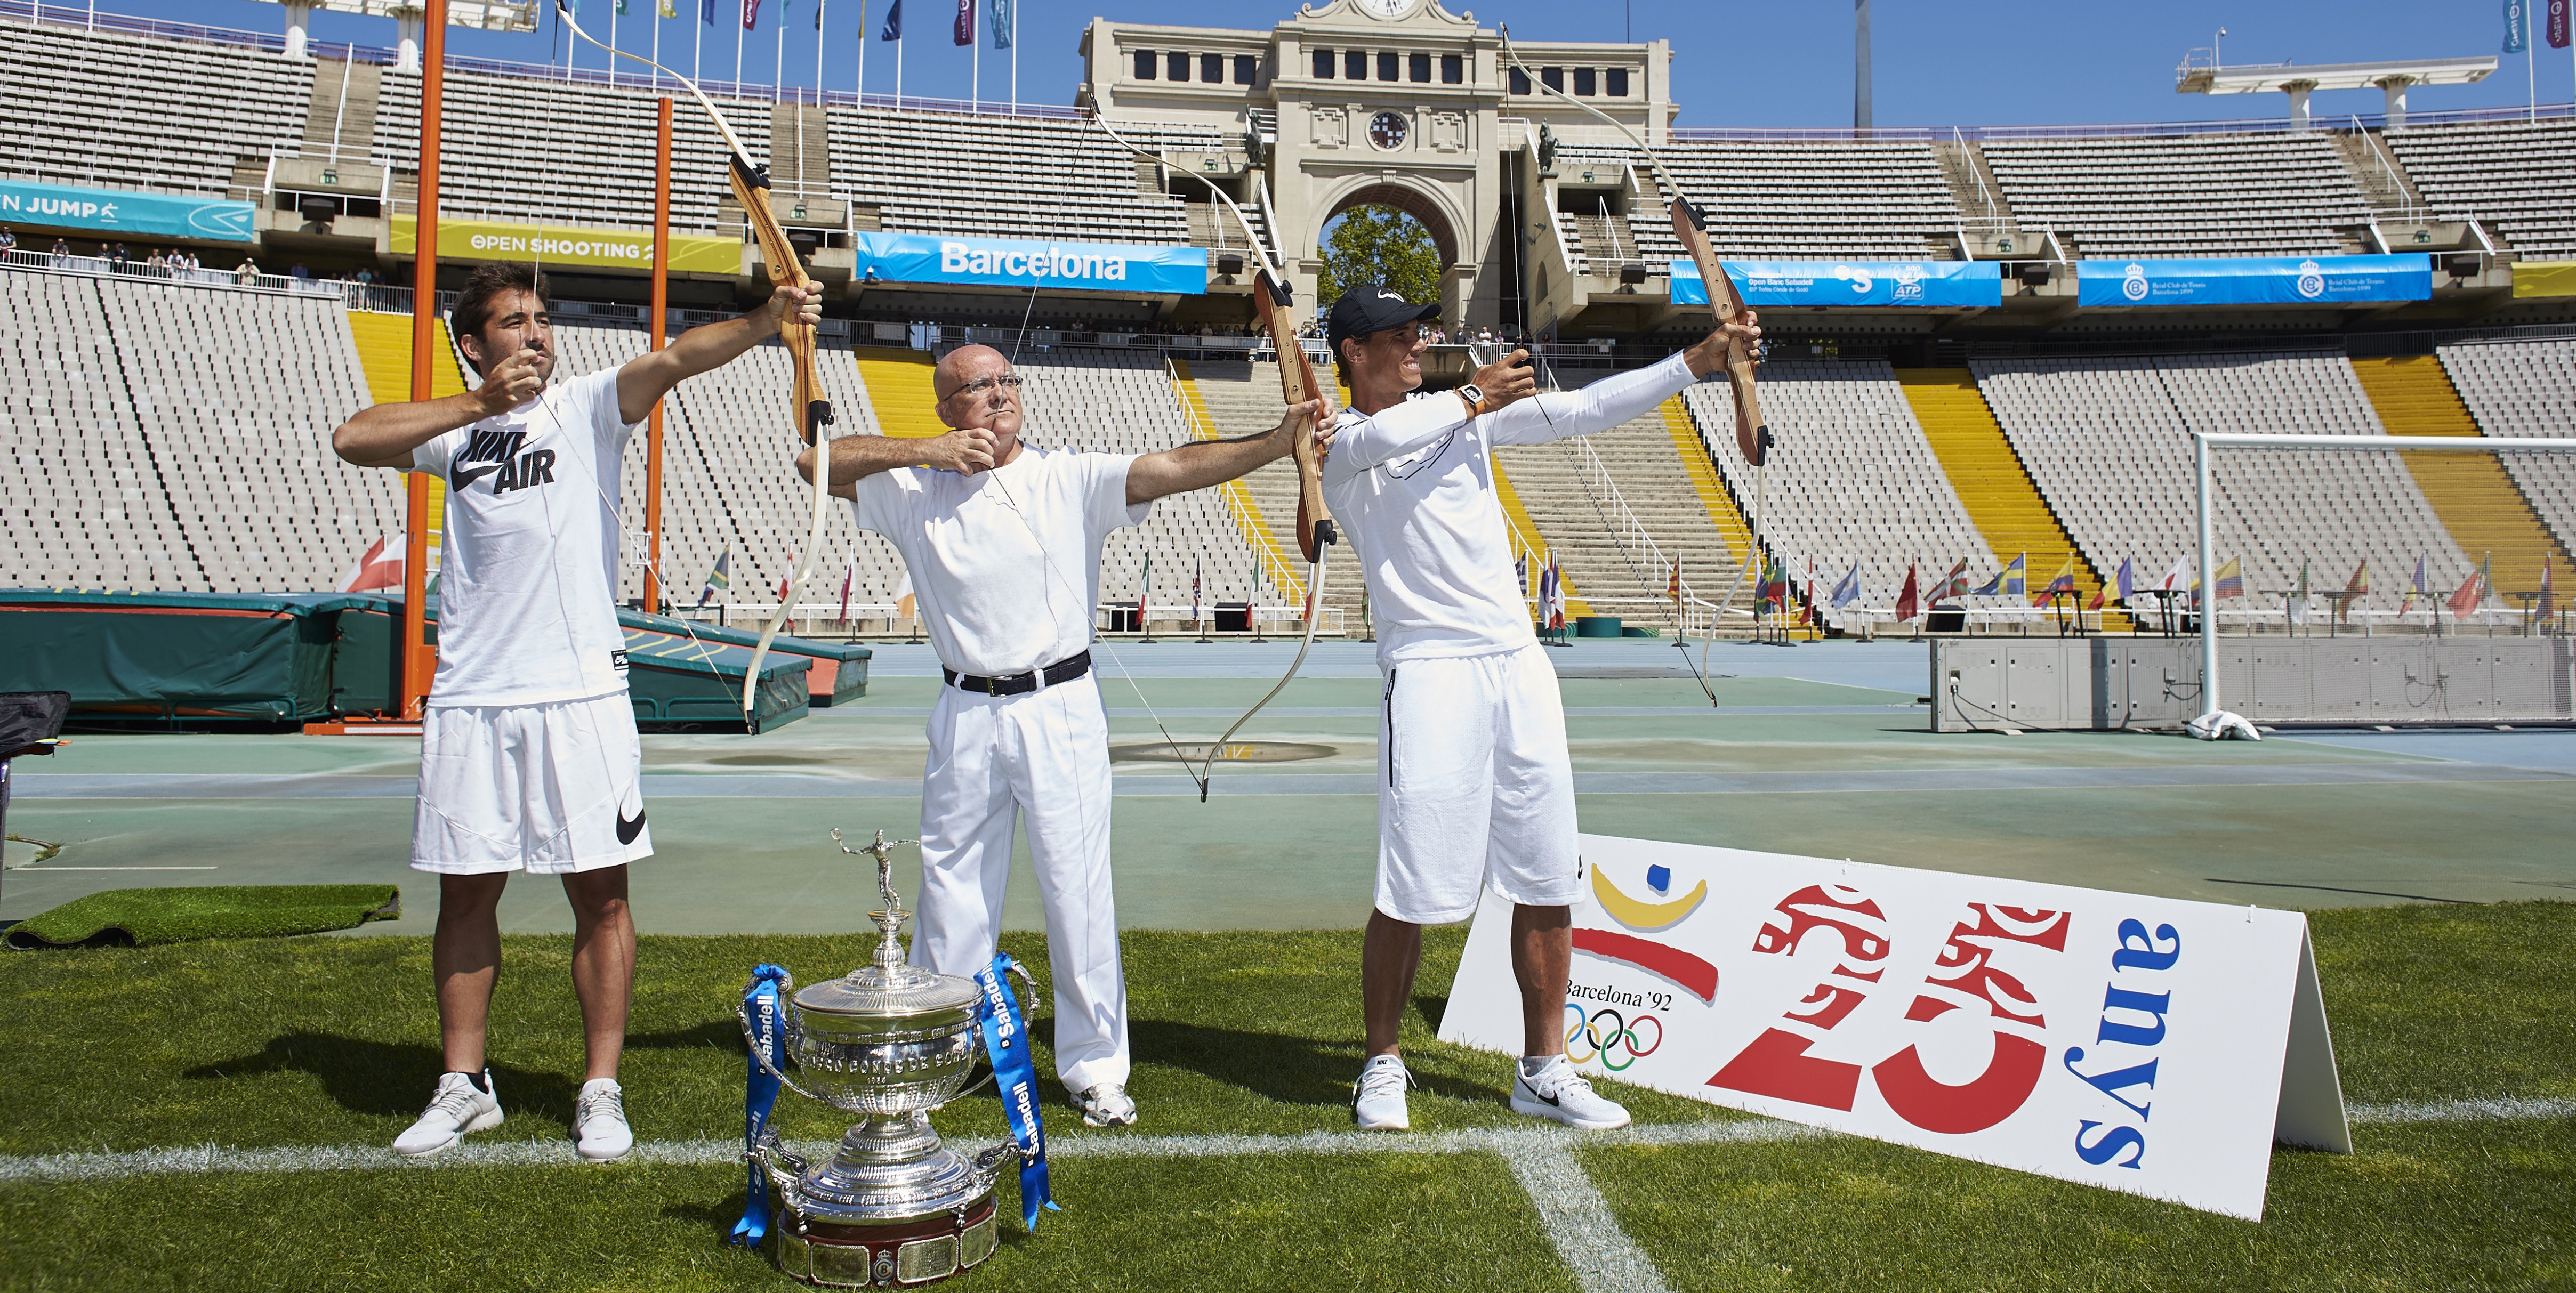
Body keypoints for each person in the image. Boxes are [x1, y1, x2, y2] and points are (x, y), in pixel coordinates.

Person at [332, 261, 826, 1161]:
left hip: (581, 696)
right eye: (514, 321)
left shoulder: (589, 403)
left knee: (601, 896)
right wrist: (477, 405)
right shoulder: (456, 425)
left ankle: (600, 1088)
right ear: (473, 343)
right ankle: (464, 1083)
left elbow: (674, 360)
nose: (537, 333)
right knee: (465, 890)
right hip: (475, 695)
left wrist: (767, 321)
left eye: (542, 319)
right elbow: (352, 437)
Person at [803, 344, 1330, 1128]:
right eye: (976, 387)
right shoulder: (914, 489)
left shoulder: (1066, 477)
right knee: (951, 891)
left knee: (1076, 890)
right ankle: (945, 1049)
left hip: (1059, 706)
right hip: (965, 709)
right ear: (946, 408)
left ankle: (1095, 1068)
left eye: (1007, 380)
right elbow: (812, 462)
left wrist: (1277, 441)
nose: (998, 395)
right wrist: (929, 451)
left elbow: (1170, 468)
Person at [1318, 286, 1760, 1133]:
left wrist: (1695, 364)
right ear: (1353, 352)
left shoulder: (1465, 418)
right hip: (1429, 669)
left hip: (1518, 663)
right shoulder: (1341, 442)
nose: (1418, 343)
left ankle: (1545, 1067)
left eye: (1420, 331)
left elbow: (1585, 410)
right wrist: (1471, 396)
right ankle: (1382, 1061)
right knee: (1411, 882)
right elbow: (1381, 438)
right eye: (1400, 335)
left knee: (1548, 871)